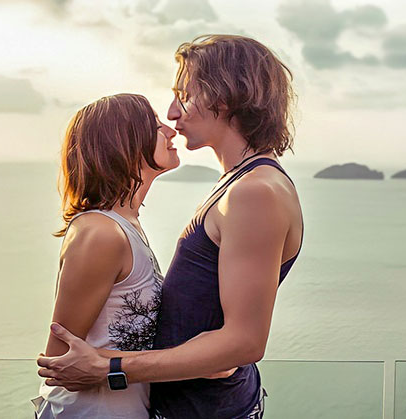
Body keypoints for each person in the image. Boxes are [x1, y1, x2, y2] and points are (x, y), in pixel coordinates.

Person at [38, 35, 303, 419]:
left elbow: (243, 342)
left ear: (225, 96)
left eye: (185, 94)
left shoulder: (255, 192)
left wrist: (111, 368)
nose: (173, 114)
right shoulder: (236, 186)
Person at [33, 93, 230, 418]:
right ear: (123, 142)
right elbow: (60, 359)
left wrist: (197, 360)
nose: (169, 130)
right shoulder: (102, 234)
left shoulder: (127, 225)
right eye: (155, 126)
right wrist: (188, 361)